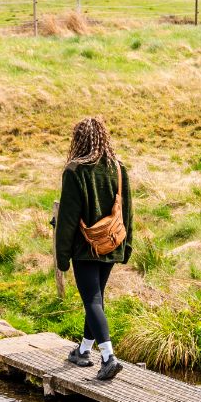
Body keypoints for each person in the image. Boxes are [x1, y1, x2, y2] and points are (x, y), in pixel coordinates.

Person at [54, 115, 133, 382]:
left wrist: (62, 257)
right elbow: (127, 212)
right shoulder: (118, 168)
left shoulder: (75, 171)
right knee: (96, 299)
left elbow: (67, 219)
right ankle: (83, 350)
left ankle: (109, 358)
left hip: (85, 248)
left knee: (92, 300)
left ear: (78, 140)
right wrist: (127, 245)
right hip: (112, 243)